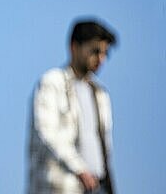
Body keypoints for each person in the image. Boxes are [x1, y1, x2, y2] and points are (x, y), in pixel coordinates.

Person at [27, 19, 117, 194]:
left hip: (96, 188)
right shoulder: (52, 83)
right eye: (95, 51)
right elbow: (47, 132)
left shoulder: (100, 94)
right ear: (74, 46)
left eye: (105, 53)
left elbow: (105, 147)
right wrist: (79, 169)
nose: (100, 58)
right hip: (59, 187)